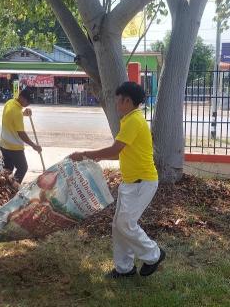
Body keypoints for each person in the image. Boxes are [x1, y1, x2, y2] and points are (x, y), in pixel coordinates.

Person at [70, 81, 165, 279]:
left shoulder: (133, 121)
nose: (116, 105)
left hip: (143, 182)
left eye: (118, 101)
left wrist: (85, 154)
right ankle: (124, 268)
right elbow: (119, 152)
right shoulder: (130, 119)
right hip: (131, 182)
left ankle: (154, 255)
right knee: (119, 225)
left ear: (127, 101)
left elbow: (114, 150)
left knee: (125, 224)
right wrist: (98, 156)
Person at [0, 87, 42, 184]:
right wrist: (34, 145)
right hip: (14, 147)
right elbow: (21, 133)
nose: (28, 104)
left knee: (8, 169)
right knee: (22, 168)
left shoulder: (9, 103)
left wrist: (24, 114)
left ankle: (5, 187)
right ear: (22, 98)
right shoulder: (17, 113)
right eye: (28, 101)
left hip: (4, 144)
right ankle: (14, 187)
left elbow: (11, 117)